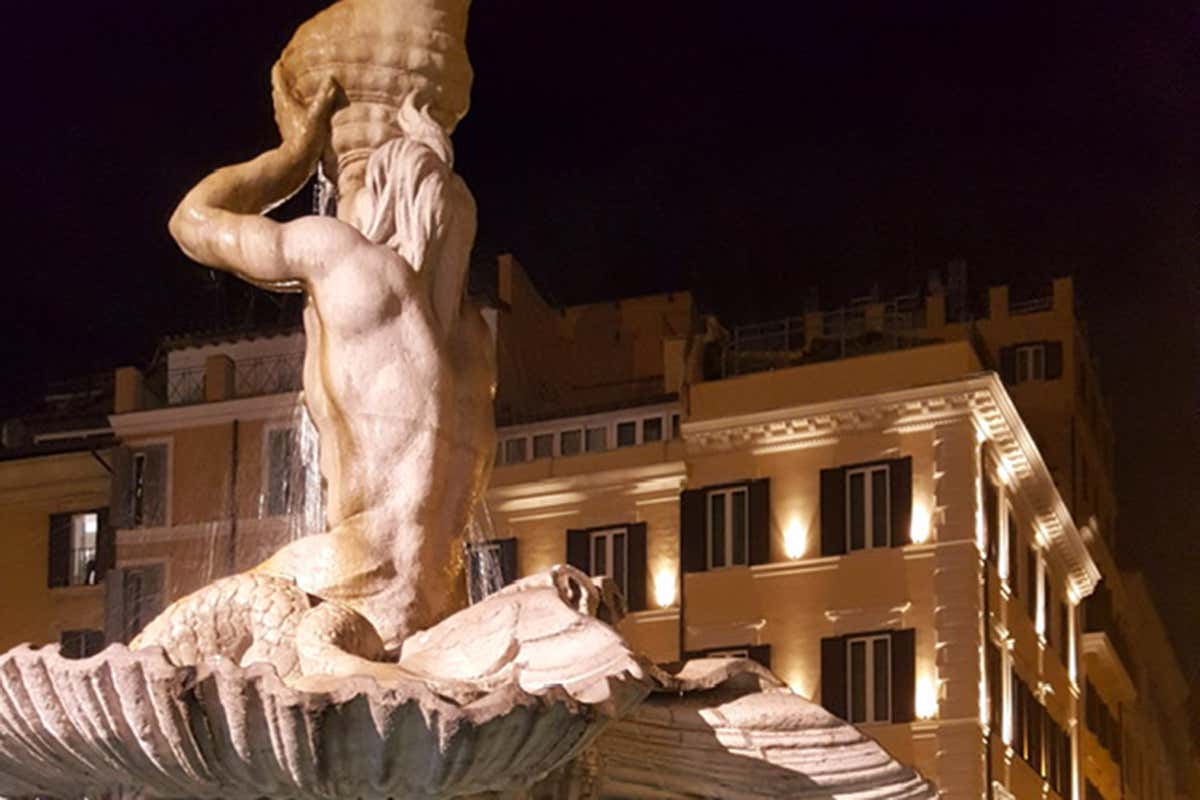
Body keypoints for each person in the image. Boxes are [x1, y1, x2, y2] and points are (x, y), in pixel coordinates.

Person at [168, 73, 496, 652]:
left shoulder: (350, 261)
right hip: (434, 604)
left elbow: (192, 220)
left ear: (382, 195)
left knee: (154, 658)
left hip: (349, 575)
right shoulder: (472, 345)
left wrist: (293, 154)